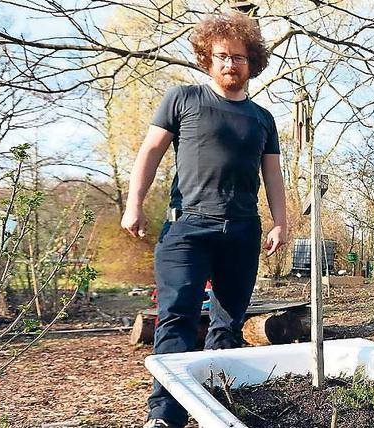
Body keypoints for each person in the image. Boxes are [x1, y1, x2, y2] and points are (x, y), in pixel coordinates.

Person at [119, 12, 288, 428]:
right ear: (207, 60)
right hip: (186, 228)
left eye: (240, 57)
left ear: (253, 62)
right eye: (223, 56)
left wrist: (281, 221)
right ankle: (166, 416)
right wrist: (134, 202)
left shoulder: (263, 118)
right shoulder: (183, 99)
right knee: (177, 317)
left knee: (228, 324)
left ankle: (217, 409)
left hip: (243, 230)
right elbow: (150, 153)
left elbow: (273, 174)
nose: (231, 64)